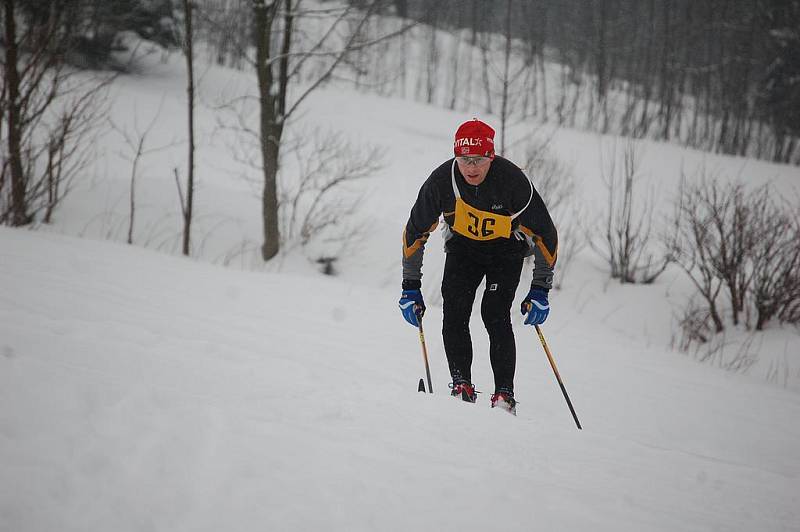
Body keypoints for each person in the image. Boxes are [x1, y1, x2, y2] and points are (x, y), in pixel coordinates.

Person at [398, 118, 557, 414]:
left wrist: (540, 290)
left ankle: (504, 397)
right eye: (464, 160)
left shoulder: (512, 183)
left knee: (494, 312)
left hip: (506, 251)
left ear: (491, 157)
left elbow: (545, 235)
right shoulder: (441, 183)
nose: (472, 168)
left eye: (479, 160)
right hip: (463, 249)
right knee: (455, 311)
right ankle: (462, 386)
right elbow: (414, 233)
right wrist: (410, 288)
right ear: (455, 157)